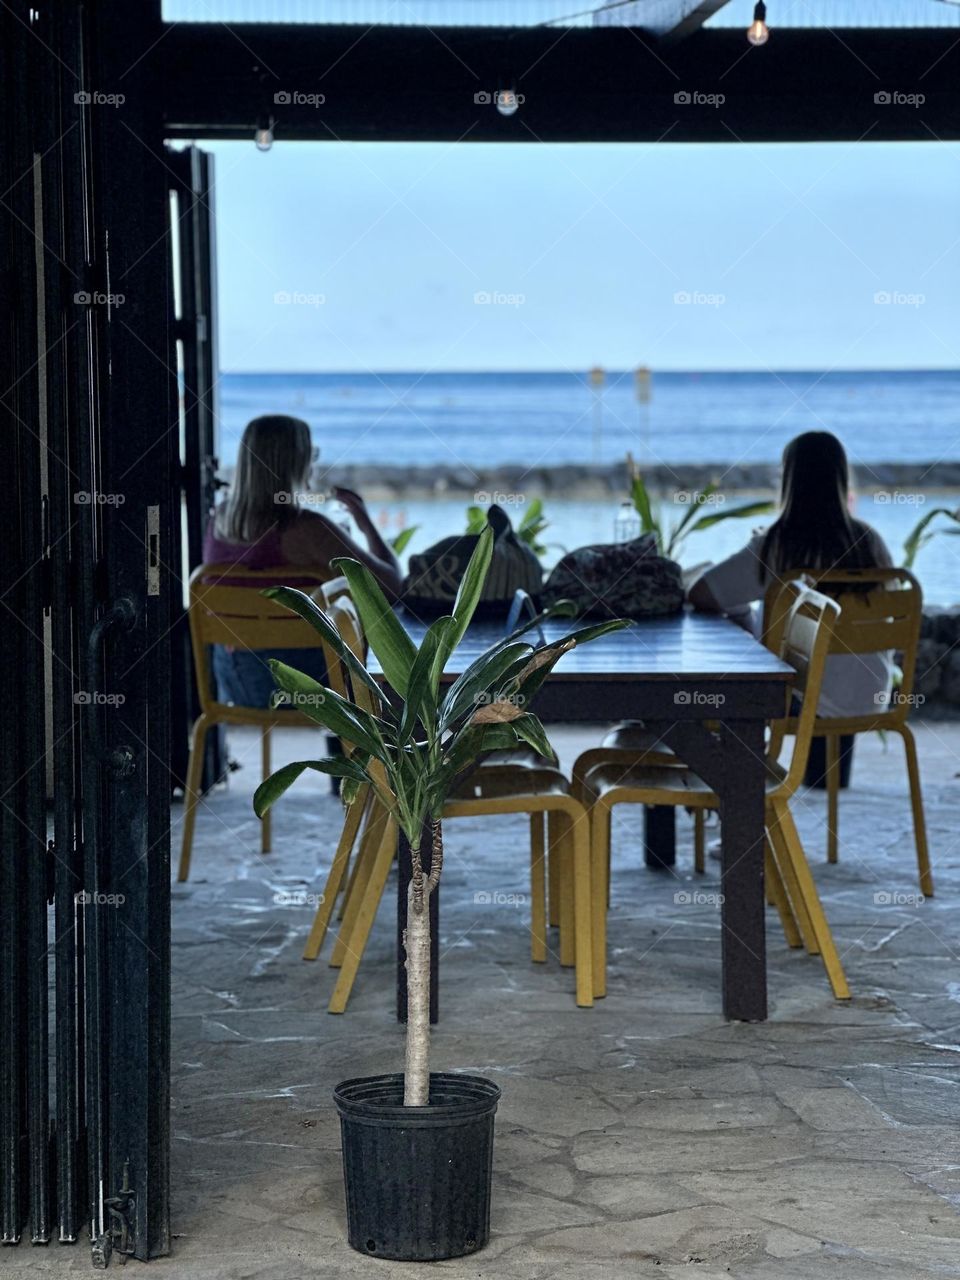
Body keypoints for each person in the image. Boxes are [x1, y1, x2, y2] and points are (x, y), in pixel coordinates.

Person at [687, 430, 894, 784]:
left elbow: (702, 594)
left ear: (789, 480)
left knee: (712, 693)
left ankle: (725, 795)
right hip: (871, 693)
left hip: (805, 697)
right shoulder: (869, 541)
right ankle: (819, 775)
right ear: (842, 477)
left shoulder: (778, 545)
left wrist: (756, 552)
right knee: (822, 662)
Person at [203, 414, 402, 708]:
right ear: (297, 462)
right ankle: (375, 750)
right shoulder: (306, 528)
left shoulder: (218, 520)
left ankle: (352, 749)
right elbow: (392, 588)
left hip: (235, 681)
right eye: (312, 455)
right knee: (397, 685)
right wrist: (365, 523)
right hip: (303, 686)